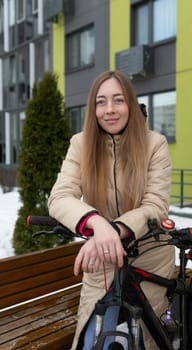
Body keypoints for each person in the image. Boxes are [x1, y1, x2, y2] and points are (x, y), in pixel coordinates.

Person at [48, 70, 175, 349]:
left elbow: (155, 205)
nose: (109, 110)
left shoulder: (155, 144)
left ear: (130, 103)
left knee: (143, 337)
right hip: (103, 260)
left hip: (149, 258)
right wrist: (98, 225)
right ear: (93, 108)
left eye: (118, 100)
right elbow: (59, 197)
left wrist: (115, 230)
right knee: (92, 338)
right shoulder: (80, 144)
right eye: (101, 102)